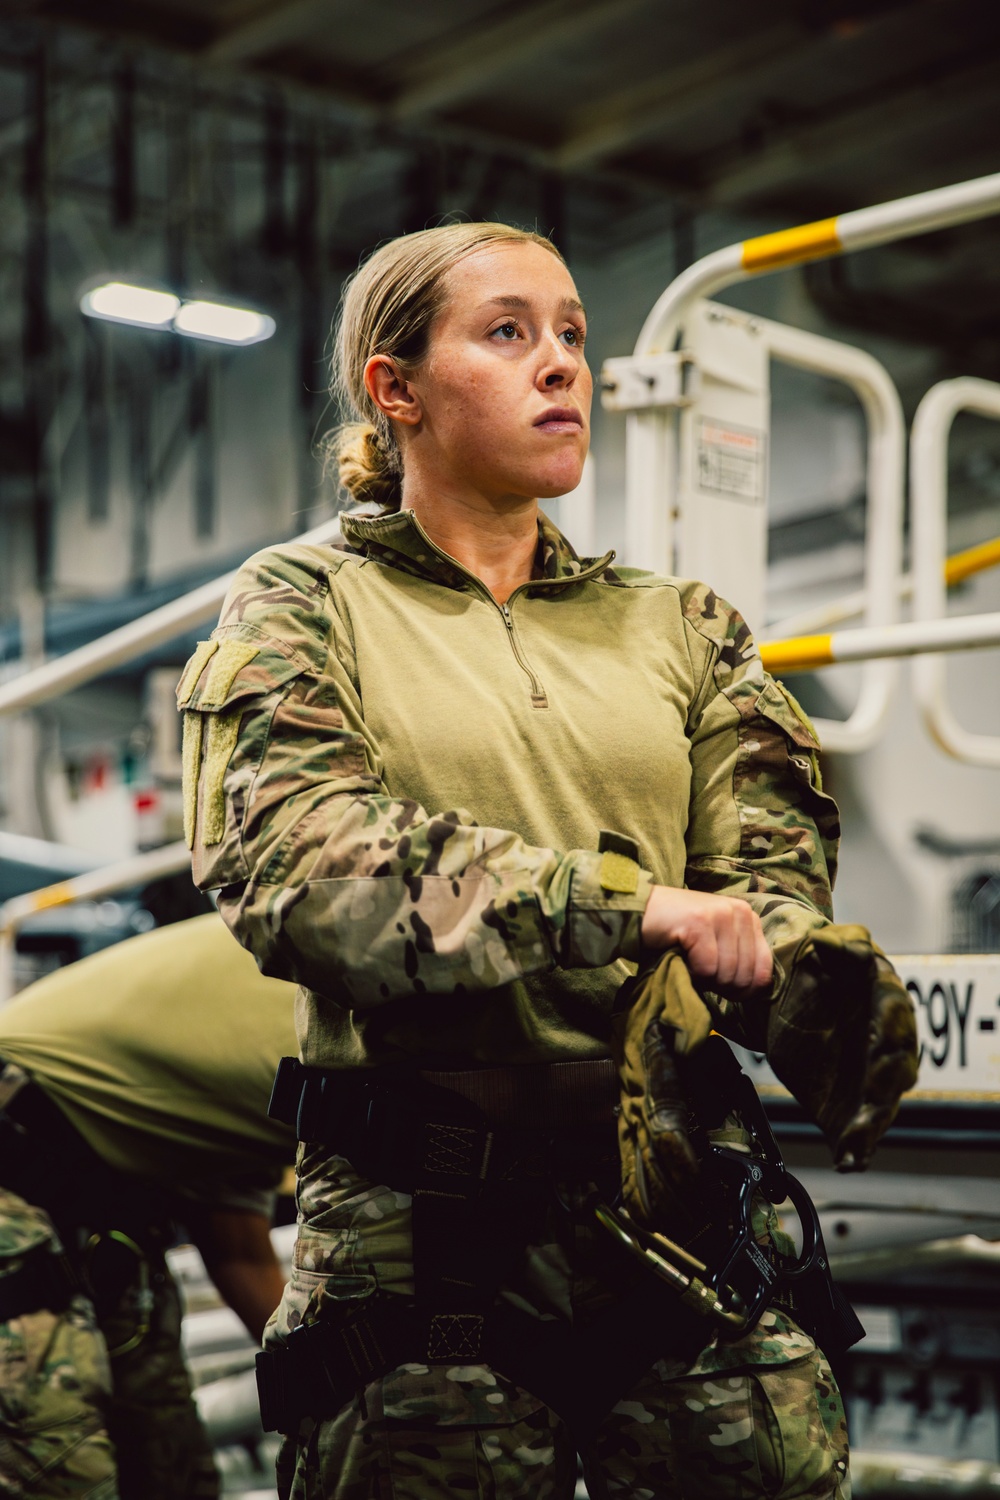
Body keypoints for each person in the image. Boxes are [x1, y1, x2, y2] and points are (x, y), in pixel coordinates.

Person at [178, 220, 889, 1499]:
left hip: (679, 1200)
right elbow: (302, 870)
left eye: (571, 332)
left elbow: (771, 885)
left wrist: (808, 981)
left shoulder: (682, 628)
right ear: (396, 391)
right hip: (420, 1221)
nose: (562, 364)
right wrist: (622, 905)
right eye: (507, 333)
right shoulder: (304, 604)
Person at [0, 911, 297, 1499]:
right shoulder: (340, 1017)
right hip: (16, 1153)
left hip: (110, 1207)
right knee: (60, 1466)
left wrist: (314, 1385)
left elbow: (235, 1243)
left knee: (169, 1468)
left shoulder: (283, 1043)